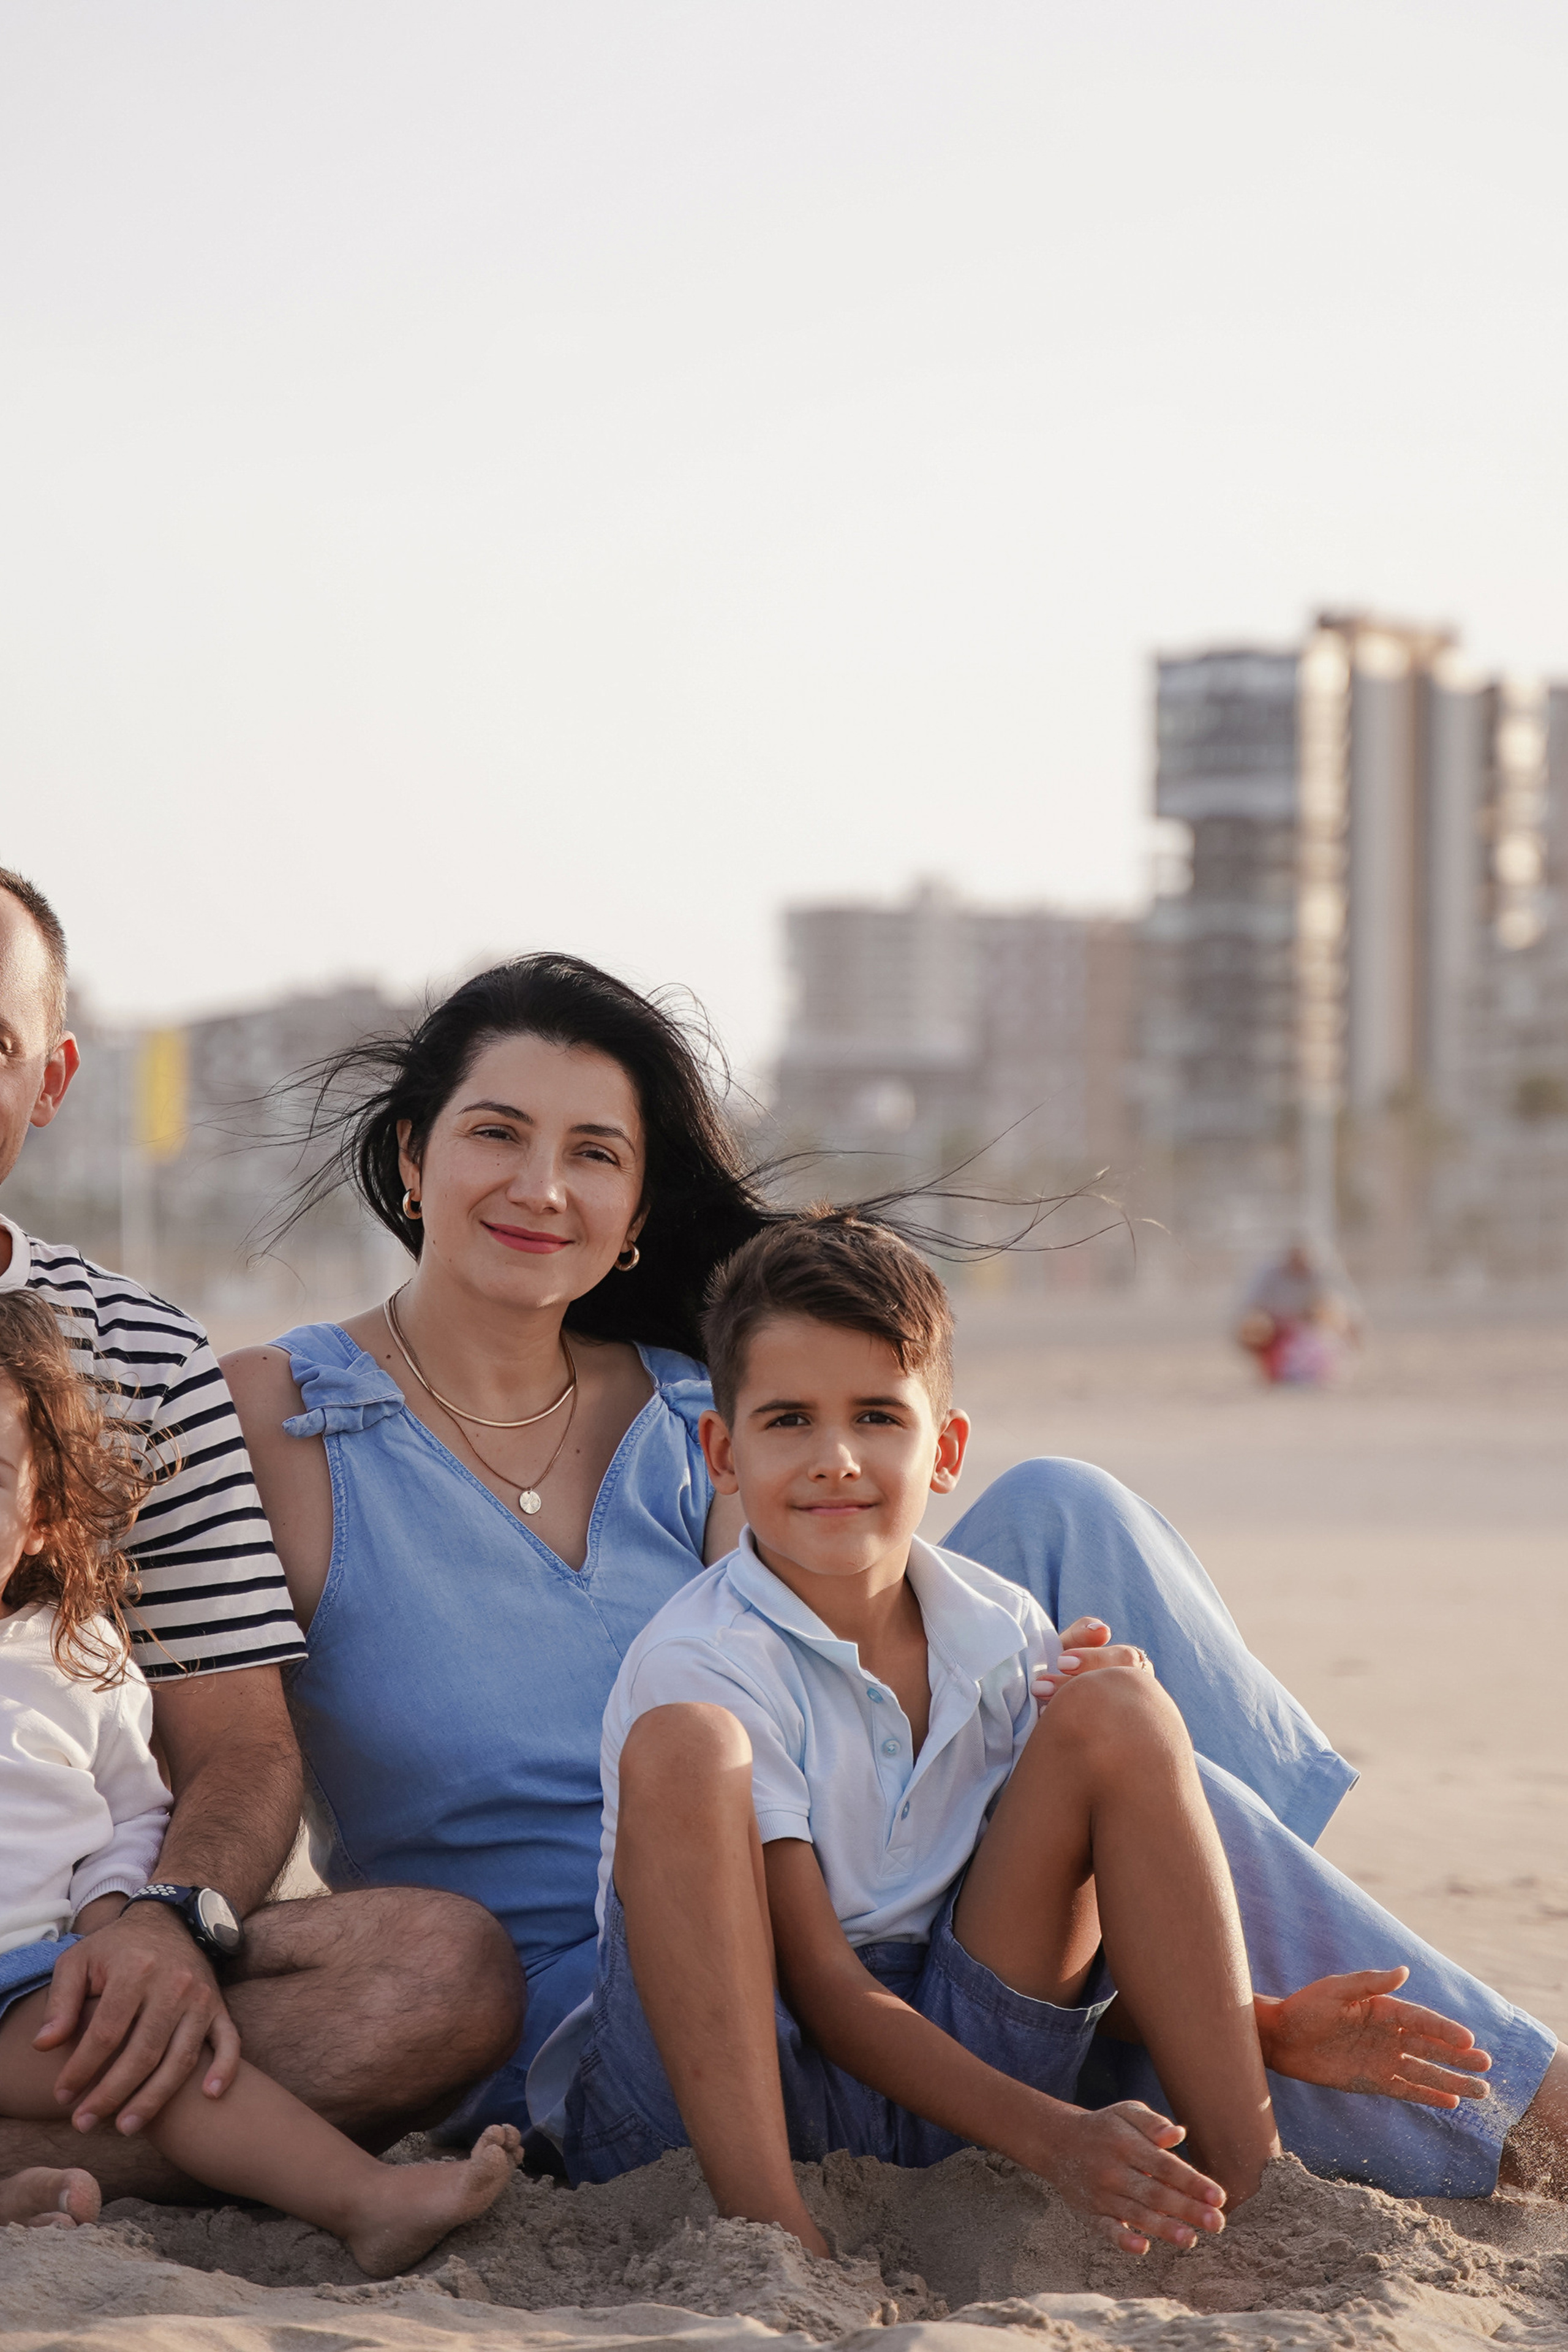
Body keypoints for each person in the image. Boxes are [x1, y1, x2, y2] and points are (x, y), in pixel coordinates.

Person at [225, 950, 1566, 2199]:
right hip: (611, 2011)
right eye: (496, 1134)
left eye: (595, 1153)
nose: (542, 1189)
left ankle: (1258, 1980)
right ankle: (1485, 2095)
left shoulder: (690, 1408)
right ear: (413, 1157)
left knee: (1066, 1529)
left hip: (853, 1916)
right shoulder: (277, 1419)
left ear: (635, 1211)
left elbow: (827, 1731)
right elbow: (205, 1747)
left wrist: (1073, 1731)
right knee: (750, 1742)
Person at [565, 1212, 1493, 2252]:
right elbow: (826, 1991)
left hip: (950, 2081)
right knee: (688, 1746)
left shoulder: (1000, 1630)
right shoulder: (705, 1658)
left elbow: (1061, 1947)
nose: (836, 1458)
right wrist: (1060, 2139)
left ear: (945, 1450)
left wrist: (1268, 2026)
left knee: (1118, 1706)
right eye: (789, 1421)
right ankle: (772, 2239)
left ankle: (1251, 2185)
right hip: (724, 2091)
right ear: (723, 1453)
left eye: (877, 1416)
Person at [0, 869, 522, 2203]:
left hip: (43, 1961)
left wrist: (163, 1922)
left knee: (440, 1974)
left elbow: (232, 1743)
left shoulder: (140, 1355)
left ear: (51, 1080)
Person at [0, 1287, 524, 2272]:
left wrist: (120, 1922)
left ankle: (364, 2200)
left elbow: (135, 1811)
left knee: (153, 2048)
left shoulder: (77, 1658)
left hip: (28, 1977)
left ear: (40, 1519)